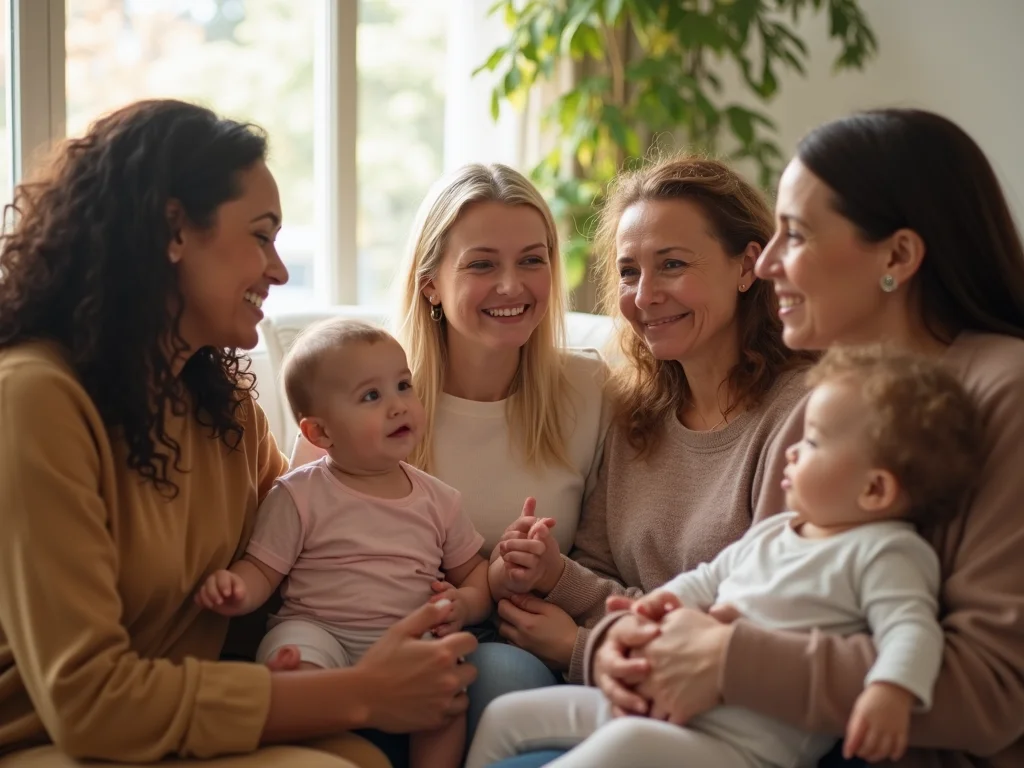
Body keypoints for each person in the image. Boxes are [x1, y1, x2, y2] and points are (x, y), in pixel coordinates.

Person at [0, 99, 476, 768]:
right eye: (261, 236)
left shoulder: (223, 411)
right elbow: (88, 701)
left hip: (168, 722)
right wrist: (364, 692)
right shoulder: (34, 398)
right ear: (174, 230)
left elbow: (291, 559)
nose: (278, 270)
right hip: (45, 739)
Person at [589, 109, 1024, 768]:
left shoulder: (1004, 389)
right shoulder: (835, 396)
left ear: (897, 256)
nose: (765, 263)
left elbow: (993, 689)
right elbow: (750, 599)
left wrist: (730, 660)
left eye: (793, 235)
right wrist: (616, 646)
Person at [467, 345, 985, 768]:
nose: (794, 450)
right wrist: (649, 611)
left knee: (619, 748)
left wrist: (890, 691)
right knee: (507, 716)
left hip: (738, 748)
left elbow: (912, 629)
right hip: (669, 703)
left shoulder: (889, 552)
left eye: (814, 443)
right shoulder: (780, 530)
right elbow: (707, 579)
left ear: (874, 490)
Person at [290, 163, 610, 743]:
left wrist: (541, 574)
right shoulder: (358, 391)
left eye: (532, 260)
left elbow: (604, 559)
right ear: (430, 283)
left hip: (498, 643)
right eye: (482, 264)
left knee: (507, 677)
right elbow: (300, 537)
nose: (512, 286)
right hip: (349, 638)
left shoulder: (590, 389)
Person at [478, 153, 814, 698]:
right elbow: (597, 568)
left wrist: (582, 647)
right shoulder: (637, 411)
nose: (644, 295)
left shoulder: (800, 415)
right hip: (625, 687)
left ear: (748, 266)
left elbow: (754, 623)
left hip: (724, 707)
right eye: (629, 272)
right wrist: (551, 572)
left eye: (673, 264)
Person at [196, 318, 494, 768]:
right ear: (320, 433)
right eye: (371, 396)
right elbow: (261, 569)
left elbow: (475, 573)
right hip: (321, 630)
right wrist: (237, 590)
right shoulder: (297, 494)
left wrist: (465, 605)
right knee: (293, 655)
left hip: (408, 634)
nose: (398, 406)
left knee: (447, 688)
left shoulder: (440, 500)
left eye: (403, 385)